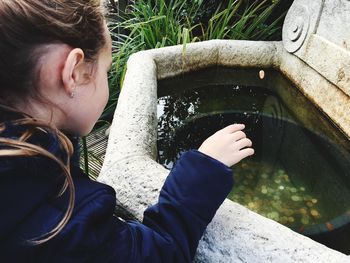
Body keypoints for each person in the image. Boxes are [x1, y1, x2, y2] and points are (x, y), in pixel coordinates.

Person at [0, 0, 254, 262]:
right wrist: (203, 170)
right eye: (106, 70)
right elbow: (161, 253)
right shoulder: (64, 228)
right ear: (73, 73)